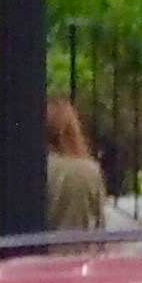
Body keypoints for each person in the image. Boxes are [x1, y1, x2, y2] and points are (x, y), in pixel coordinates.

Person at [43, 98, 113, 233]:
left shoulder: (30, 169)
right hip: (79, 249)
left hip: (35, 249)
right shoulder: (89, 171)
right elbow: (99, 223)